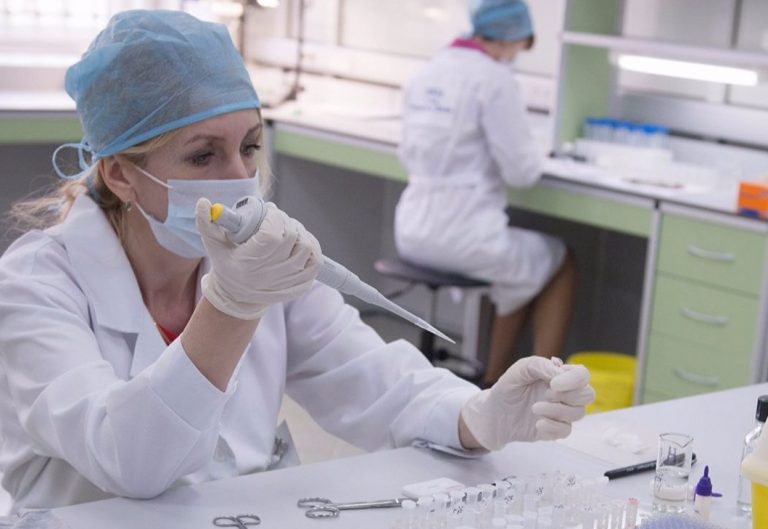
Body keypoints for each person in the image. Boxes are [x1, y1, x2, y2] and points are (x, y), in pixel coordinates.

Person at [0, 10, 593, 513]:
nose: (240, 178)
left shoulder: (253, 262)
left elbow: (375, 382)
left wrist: (477, 413)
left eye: (249, 146)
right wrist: (232, 307)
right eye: (203, 155)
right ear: (120, 174)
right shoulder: (38, 286)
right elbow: (129, 461)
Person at [395, 0, 577, 387]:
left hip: (411, 229)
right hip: (465, 239)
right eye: (518, 49)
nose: (514, 58)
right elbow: (522, 172)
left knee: (520, 267)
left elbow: (407, 152)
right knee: (560, 260)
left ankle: (496, 382)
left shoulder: (427, 72)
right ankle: (533, 387)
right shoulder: (494, 79)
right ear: (509, 38)